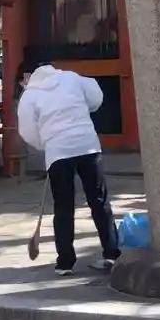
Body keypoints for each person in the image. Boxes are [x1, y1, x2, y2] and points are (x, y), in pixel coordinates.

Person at [17, 61, 121, 276]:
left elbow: (27, 130)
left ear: (27, 76)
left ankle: (65, 262)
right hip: (88, 145)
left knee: (63, 207)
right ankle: (112, 253)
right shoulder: (71, 78)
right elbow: (96, 96)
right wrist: (83, 109)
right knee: (99, 201)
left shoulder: (30, 95)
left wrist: (46, 144)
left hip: (58, 152)